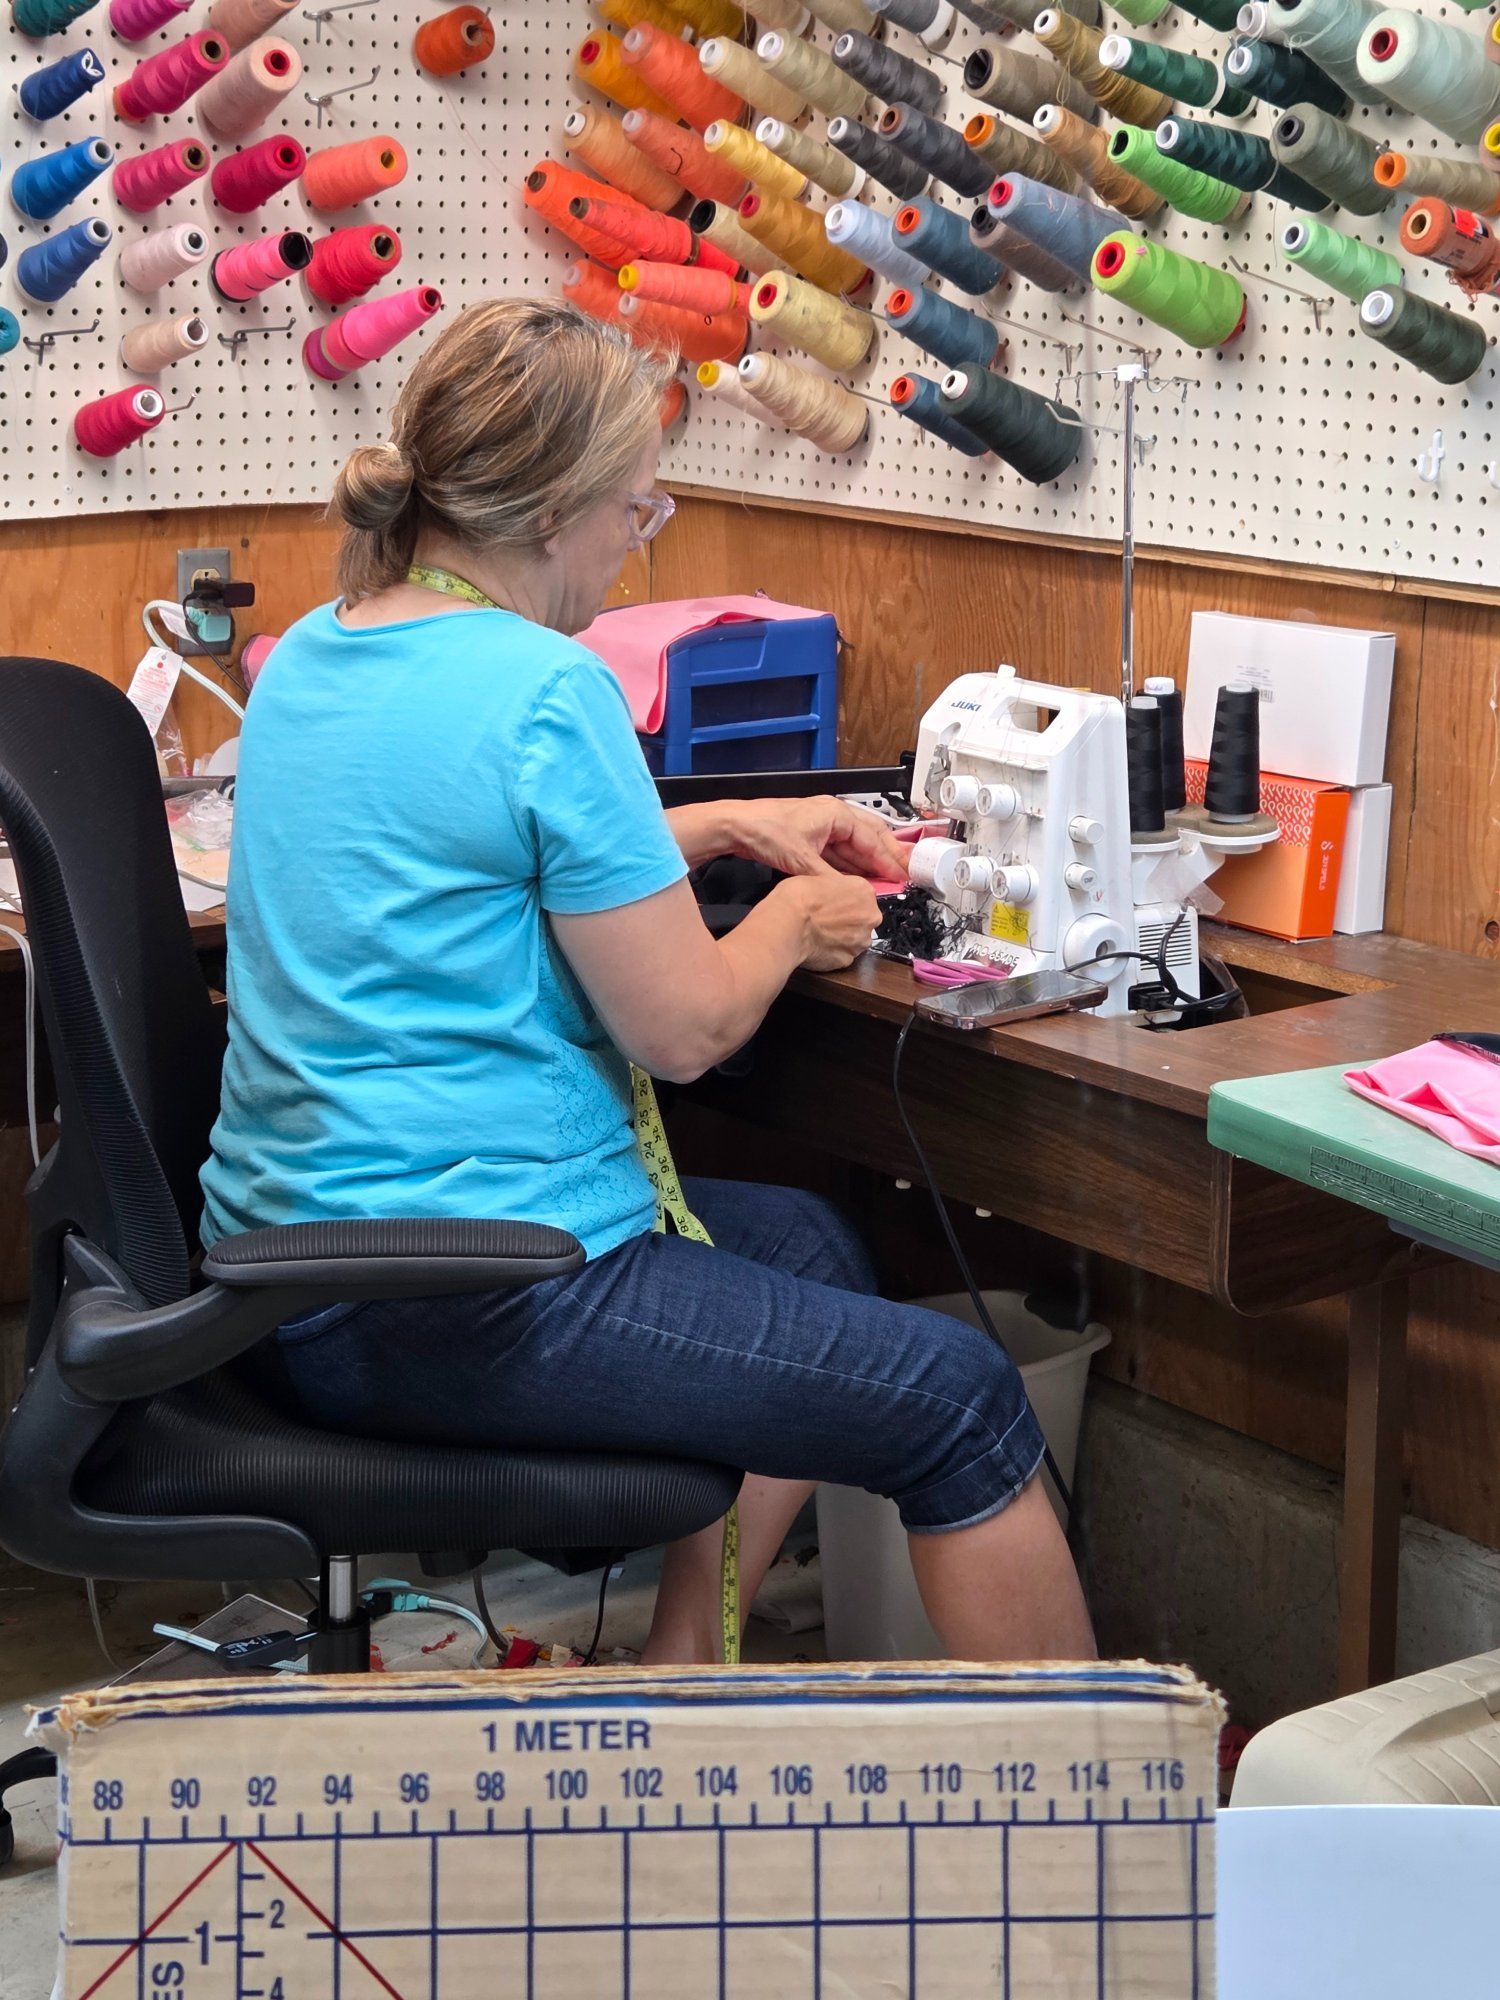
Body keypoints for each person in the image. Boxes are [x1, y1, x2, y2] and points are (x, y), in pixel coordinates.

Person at [201, 298, 1094, 1665]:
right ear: (552, 511)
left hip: (298, 1269)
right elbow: (685, 1029)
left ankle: (679, 1676)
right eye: (636, 508)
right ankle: (1098, 1840)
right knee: (959, 1399)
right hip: (471, 1296)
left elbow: (457, 849)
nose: (638, 536)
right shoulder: (546, 689)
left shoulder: (321, 649)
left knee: (808, 1248)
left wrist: (727, 823)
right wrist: (797, 914)